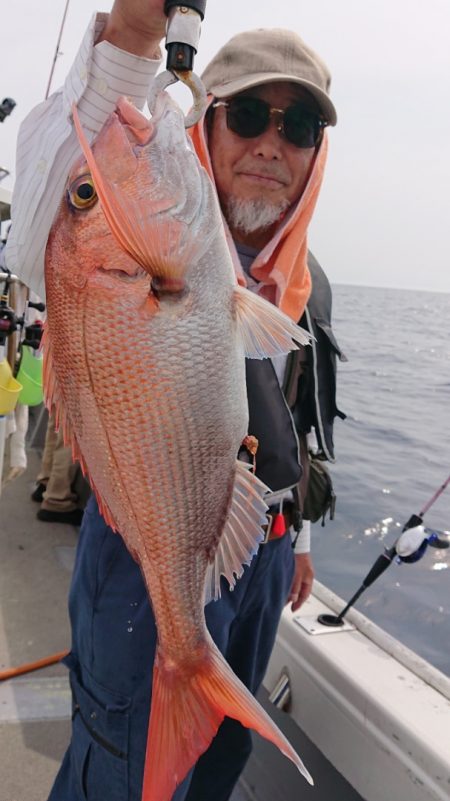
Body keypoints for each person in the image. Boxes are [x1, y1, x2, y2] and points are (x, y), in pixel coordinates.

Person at [5, 2, 345, 799]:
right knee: (119, 770)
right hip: (144, 547)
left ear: (315, 155)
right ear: (205, 123)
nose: (271, 141)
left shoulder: (308, 282)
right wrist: (130, 45)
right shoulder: (133, 238)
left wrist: (294, 542)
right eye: (251, 114)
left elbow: (307, 417)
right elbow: (62, 183)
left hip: (256, 553)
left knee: (217, 765)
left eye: (297, 127)